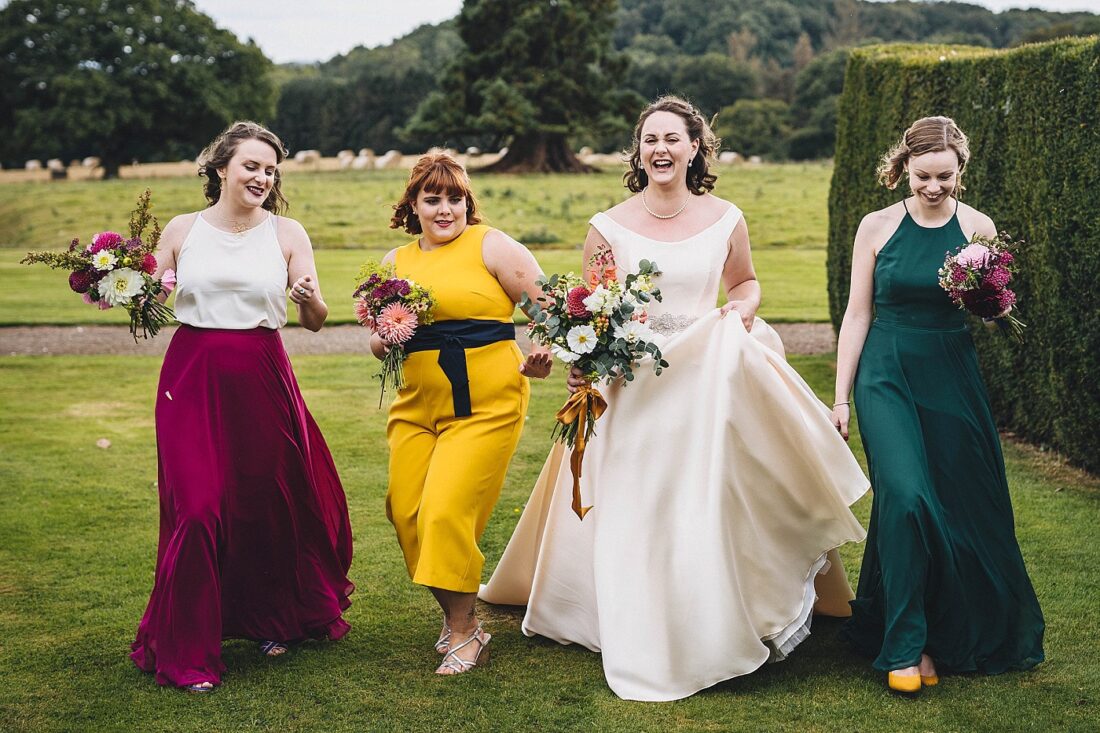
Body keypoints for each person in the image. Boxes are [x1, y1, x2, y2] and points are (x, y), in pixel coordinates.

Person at [479, 96, 869, 702]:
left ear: (694, 148)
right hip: (632, 382)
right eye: (649, 139)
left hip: (706, 376)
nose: (660, 149)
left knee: (705, 495)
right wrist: (585, 363)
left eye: (672, 138)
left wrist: (740, 311)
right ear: (638, 151)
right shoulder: (607, 226)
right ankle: (632, 613)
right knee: (639, 501)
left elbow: (744, 282)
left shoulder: (726, 217)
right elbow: (593, 308)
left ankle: (716, 606)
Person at [131, 121, 354, 692]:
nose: (262, 177)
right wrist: (143, 288)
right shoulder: (182, 229)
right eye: (252, 166)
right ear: (222, 167)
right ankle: (187, 652)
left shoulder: (287, 233)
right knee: (198, 507)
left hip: (262, 374)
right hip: (192, 374)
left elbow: (315, 318)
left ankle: (271, 618)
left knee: (265, 501)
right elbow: (152, 298)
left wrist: (310, 298)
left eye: (271, 170)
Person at [831, 116, 1044, 693]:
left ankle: (944, 637)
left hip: (951, 374)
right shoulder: (875, 227)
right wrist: (841, 396)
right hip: (886, 372)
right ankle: (906, 646)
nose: (932, 187)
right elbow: (858, 314)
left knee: (958, 505)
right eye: (922, 176)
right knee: (904, 499)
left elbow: (994, 309)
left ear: (960, 172)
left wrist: (992, 300)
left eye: (944, 177)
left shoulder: (978, 227)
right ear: (903, 168)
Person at [375, 152, 552, 676]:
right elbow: (382, 341)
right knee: (405, 511)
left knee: (445, 510)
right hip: (416, 406)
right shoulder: (395, 262)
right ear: (414, 205)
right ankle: (460, 616)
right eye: (433, 199)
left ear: (467, 203)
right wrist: (384, 343)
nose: (445, 208)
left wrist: (544, 355)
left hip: (487, 404)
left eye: (455, 198)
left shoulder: (492, 245)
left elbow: (545, 310)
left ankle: (462, 630)